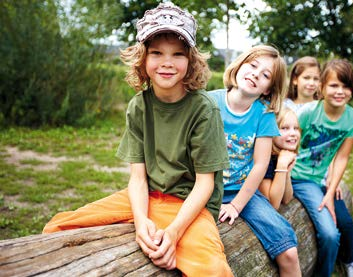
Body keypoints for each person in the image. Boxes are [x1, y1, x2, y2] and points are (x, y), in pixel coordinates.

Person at [43, 3, 233, 276]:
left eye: (178, 54)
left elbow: (205, 184)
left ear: (191, 61)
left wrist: (173, 234)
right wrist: (141, 221)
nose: (167, 62)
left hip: (189, 205)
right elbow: (138, 178)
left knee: (214, 270)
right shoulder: (138, 106)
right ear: (142, 58)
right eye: (157, 52)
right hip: (146, 198)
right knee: (58, 227)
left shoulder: (204, 109)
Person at [209, 45, 301, 277]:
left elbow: (260, 165)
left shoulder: (263, 115)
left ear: (268, 88)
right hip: (204, 188)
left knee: (289, 251)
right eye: (252, 65)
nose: (255, 74)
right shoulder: (209, 103)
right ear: (239, 65)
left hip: (244, 193)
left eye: (265, 75)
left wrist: (237, 205)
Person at [291, 59, 353, 277]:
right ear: (322, 87)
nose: (340, 91)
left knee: (339, 227)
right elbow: (288, 145)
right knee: (331, 234)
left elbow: (341, 158)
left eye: (346, 86)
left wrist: (331, 191)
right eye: (334, 85)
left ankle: (347, 262)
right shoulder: (307, 113)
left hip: (318, 181)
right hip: (296, 177)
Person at [258, 107, 300, 210]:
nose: (293, 133)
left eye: (296, 128)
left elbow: (286, 199)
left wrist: (286, 171)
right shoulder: (265, 158)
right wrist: (281, 166)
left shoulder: (281, 155)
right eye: (284, 128)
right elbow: (272, 205)